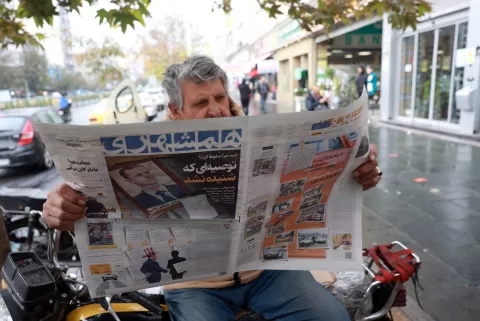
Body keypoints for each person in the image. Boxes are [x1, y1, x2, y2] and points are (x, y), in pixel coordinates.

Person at [43, 55, 383, 321]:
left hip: (268, 272)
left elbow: (318, 186)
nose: (215, 109)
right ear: (175, 111)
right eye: (200, 103)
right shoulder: (142, 149)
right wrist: (59, 207)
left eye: (219, 97)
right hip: (197, 288)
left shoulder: (264, 134)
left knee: (333, 316)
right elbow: (79, 195)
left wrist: (356, 171)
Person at [118, 164, 189, 219]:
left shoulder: (181, 186)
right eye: (139, 175)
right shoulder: (136, 202)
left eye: (146, 172)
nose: (147, 176)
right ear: (130, 181)